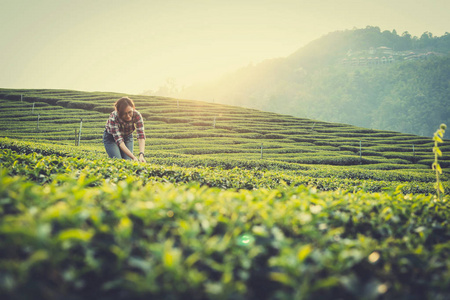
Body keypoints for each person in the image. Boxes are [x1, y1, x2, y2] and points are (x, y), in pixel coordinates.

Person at [103, 97, 146, 162]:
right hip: (111, 138)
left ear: (133, 108)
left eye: (130, 112)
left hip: (127, 136)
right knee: (118, 161)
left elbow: (141, 135)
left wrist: (141, 155)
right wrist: (133, 157)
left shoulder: (137, 115)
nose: (128, 116)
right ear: (119, 112)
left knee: (127, 162)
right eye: (124, 114)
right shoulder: (113, 118)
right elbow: (120, 142)